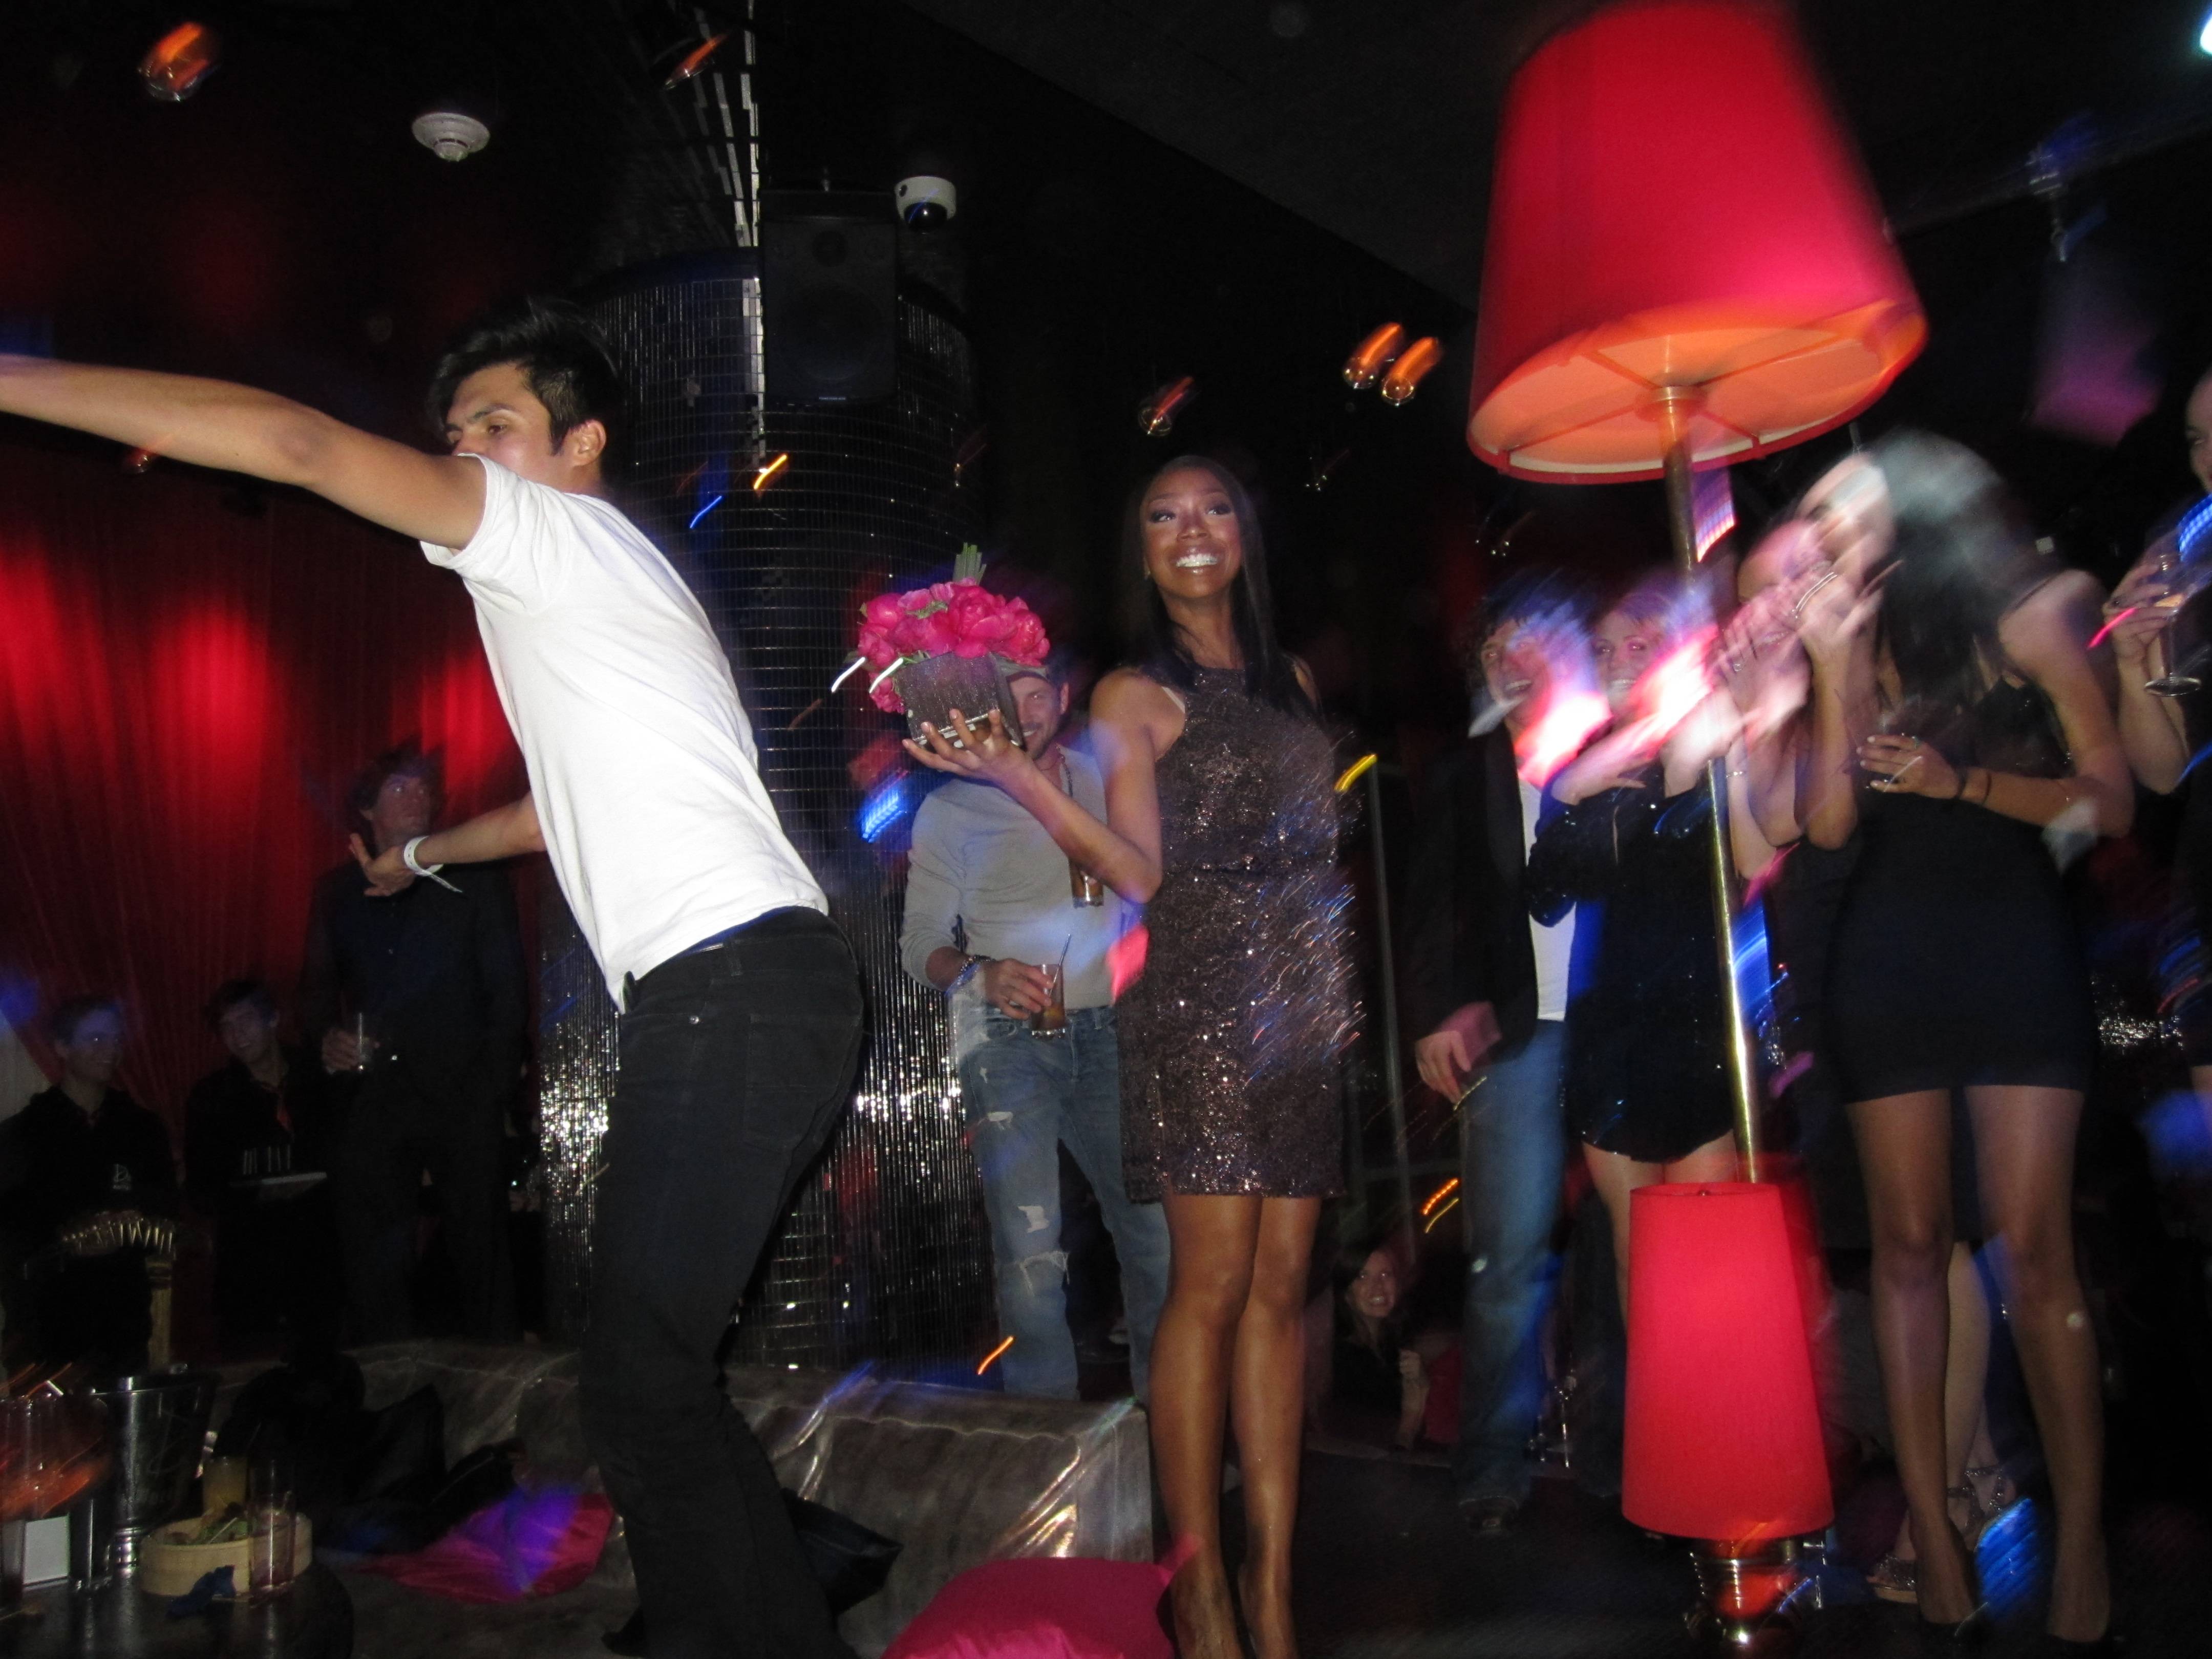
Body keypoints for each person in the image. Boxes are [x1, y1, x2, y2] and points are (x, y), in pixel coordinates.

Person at [0, 299, 864, 1659]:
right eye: (454, 431)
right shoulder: (617, 586)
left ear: (580, 445)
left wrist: (19, 379)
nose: (464, 453)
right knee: (649, 1381)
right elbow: (547, 813)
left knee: (642, 1386)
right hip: (766, 989)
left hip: (734, 986)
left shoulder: (550, 530)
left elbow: (294, 444)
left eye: (497, 426)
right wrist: (418, 853)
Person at [904, 456, 1350, 1659]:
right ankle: (1195, 1583)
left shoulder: (1297, 684)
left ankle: (1272, 1584)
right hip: (1198, 1003)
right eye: (1161, 514)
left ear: (1244, 529)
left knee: (1280, 1290)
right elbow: (1140, 871)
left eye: (1212, 506)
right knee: (1205, 1286)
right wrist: (1012, 773)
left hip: (1301, 1005)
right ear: (1143, 552)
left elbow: (1317, 859)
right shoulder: (1132, 694)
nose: (1190, 529)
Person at [1798, 432, 2125, 1644]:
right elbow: (1829, 826)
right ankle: (1933, 1531)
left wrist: (1964, 785)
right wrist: (1833, 667)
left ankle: (2081, 1532)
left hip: (2012, 949)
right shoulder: (1856, 636)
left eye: (1841, 511)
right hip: (1888, 959)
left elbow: (2110, 797)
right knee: (1906, 1246)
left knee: (2035, 1250)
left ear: (1912, 512)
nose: (1823, 536)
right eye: (1815, 520)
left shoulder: (2026, 616)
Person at [899, 652, 1171, 1400]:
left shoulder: (1107, 779)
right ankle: (1046, 1449)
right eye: (1006, 698)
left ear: (1064, 694)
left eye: (1036, 694)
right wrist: (977, 972)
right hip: (1009, 1035)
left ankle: (1165, 1431)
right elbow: (919, 942)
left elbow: (1155, 883)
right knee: (1030, 1255)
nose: (1024, 713)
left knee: (1155, 1241)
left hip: (1113, 1028)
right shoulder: (951, 808)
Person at [1401, 571, 1586, 1534]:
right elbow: (1432, 905)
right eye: (1495, 645)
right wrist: (1438, 1011)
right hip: (1517, 1036)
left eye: (1532, 637)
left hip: (1623, 1025)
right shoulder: (1463, 773)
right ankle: (1490, 1466)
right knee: (1508, 1260)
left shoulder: (1622, 748)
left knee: (1637, 1252)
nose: (1513, 659)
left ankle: (1629, 1456)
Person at [1529, 580, 1738, 1321]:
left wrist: (1661, 769)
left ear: (1670, 652)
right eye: (1604, 649)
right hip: (1611, 1032)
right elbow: (1545, 894)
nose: (1618, 659)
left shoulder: (1712, 740)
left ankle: (1718, 1393)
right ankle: (1659, 1394)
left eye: (1637, 644)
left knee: (1710, 1247)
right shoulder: (1584, 762)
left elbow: (1717, 863)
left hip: (1697, 1021)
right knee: (1640, 1249)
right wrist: (1569, 791)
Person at [300, 740, 526, 1343]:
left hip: (462, 1093)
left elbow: (507, 992)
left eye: (424, 788)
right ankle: (389, 1385)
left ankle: (498, 1381)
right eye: (400, 788)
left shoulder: (473, 877)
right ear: (367, 809)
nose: (417, 798)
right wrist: (326, 1040)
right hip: (375, 1095)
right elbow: (316, 989)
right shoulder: (337, 891)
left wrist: (491, 1093)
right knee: (375, 1260)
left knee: (482, 1251)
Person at [0, 996, 177, 1376]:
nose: (110, 1050)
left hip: (122, 1318)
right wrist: (70, 1238)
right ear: (62, 1048)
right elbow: (12, 1232)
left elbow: (166, 1211)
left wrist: (131, 1226)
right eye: (96, 1039)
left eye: (115, 1039)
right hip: (47, 1323)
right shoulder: (25, 1133)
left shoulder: (141, 1129)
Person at [183, 978, 340, 1356]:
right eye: (227, 1027)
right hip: (251, 1270)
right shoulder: (213, 1097)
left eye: (245, 1020)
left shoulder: (320, 1078)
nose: (237, 1035)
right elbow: (202, 1189)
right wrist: (257, 1192)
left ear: (273, 1019)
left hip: (325, 1263)